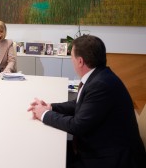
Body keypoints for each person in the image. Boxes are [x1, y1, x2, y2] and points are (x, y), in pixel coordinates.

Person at [27, 35, 146, 168]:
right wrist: (50, 107)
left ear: (80, 61)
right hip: (100, 145)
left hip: (112, 157)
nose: (71, 60)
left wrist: (44, 115)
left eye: (71, 56)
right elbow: (79, 104)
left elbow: (77, 126)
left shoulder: (101, 84)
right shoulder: (99, 76)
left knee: (46, 159)